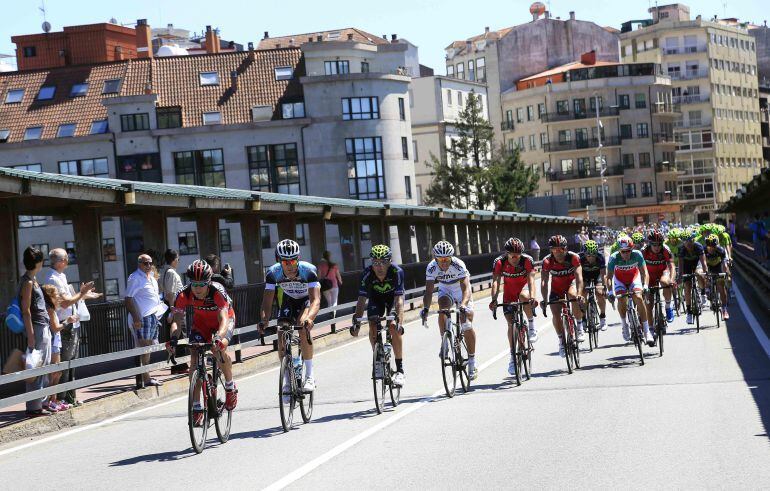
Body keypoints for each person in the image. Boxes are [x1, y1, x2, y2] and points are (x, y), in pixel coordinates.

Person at [167, 260, 238, 425]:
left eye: (202, 284)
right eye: (194, 284)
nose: (197, 289)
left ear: (209, 282)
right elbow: (177, 320)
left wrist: (219, 337)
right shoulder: (183, 294)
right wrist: (173, 339)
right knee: (194, 359)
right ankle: (197, 405)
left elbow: (223, 319)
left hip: (224, 321)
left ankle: (230, 386)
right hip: (201, 325)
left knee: (217, 349)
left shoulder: (217, 291)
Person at [258, 239, 321, 395]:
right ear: (279, 261)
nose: (290, 265)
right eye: (285, 262)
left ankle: (309, 376)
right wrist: (264, 320)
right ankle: (287, 380)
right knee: (281, 332)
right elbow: (267, 302)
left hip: (306, 300)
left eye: (293, 260)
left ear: (298, 258)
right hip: (289, 300)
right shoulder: (273, 273)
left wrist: (310, 318)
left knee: (302, 326)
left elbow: (316, 300)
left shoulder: (309, 270)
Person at [43, 248, 99, 407]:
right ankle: (61, 398)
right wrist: (82, 293)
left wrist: (83, 294)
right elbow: (66, 302)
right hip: (63, 325)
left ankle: (70, 397)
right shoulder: (53, 278)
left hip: (71, 323)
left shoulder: (61, 276)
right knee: (64, 363)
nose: (68, 261)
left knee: (72, 361)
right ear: (61, 261)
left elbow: (70, 299)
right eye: (67, 258)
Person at [420, 241, 478, 380]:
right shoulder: (431, 267)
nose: (444, 262)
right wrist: (426, 309)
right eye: (441, 259)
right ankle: (445, 342)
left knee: (466, 324)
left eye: (447, 259)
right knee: (443, 309)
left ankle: (472, 362)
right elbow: (428, 292)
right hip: (445, 289)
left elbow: (466, 288)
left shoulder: (458, 265)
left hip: (461, 291)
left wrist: (463, 305)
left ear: (451, 257)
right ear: (435, 259)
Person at [351, 244, 406, 387]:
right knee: (372, 324)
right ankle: (378, 359)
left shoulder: (396, 271)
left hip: (393, 299)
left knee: (393, 326)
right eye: (375, 262)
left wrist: (400, 321)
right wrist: (356, 321)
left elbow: (399, 299)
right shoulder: (367, 274)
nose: (379, 266)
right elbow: (362, 299)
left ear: (389, 262)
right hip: (376, 300)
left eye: (383, 262)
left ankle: (400, 370)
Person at [489, 237, 538, 376]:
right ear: (507, 254)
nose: (516, 258)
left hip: (523, 290)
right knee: (511, 325)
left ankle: (532, 326)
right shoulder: (499, 262)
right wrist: (494, 299)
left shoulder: (527, 260)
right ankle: (512, 357)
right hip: (509, 294)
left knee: (524, 296)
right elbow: (496, 283)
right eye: (513, 255)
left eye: (518, 255)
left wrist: (533, 297)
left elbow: (531, 280)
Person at [18, 247, 53, 416]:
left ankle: (41, 402)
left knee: (43, 365)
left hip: (42, 325)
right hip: (37, 327)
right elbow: (26, 310)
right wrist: (31, 336)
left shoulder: (32, 279)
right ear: (38, 262)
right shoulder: (28, 282)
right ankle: (34, 407)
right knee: (36, 366)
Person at [125, 254, 166, 387]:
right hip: (142, 317)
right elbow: (128, 298)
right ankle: (145, 378)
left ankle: (145, 376)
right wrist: (137, 318)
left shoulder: (152, 277)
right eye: (145, 263)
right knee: (144, 348)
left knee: (149, 348)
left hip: (153, 316)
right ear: (139, 264)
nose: (148, 266)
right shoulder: (135, 278)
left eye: (150, 263)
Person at [540, 235, 585, 358]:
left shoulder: (573, 257)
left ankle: (580, 327)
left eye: (561, 249)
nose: (558, 252)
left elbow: (579, 278)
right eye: (555, 249)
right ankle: (561, 341)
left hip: (571, 284)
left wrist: (580, 294)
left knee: (572, 295)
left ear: (566, 249)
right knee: (555, 313)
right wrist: (544, 299)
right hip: (556, 289)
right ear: (551, 250)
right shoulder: (547, 261)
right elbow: (544, 282)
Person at [607, 236, 652, 346]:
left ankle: (647, 331)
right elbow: (608, 277)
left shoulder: (637, 254)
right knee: (622, 300)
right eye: (623, 252)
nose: (626, 254)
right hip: (620, 281)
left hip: (633, 278)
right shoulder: (613, 258)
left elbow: (645, 273)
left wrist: (645, 285)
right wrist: (610, 292)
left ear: (631, 249)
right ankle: (624, 324)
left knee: (638, 297)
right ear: (619, 251)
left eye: (628, 251)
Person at [41, 285, 78, 413]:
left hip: (56, 342)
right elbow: (56, 327)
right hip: (53, 343)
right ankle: (51, 401)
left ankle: (54, 400)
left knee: (57, 373)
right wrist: (68, 321)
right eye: (55, 294)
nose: (58, 296)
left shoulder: (51, 308)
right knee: (55, 373)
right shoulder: (49, 309)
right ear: (50, 296)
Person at [642, 230, 676, 326]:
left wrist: (672, 280)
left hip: (662, 272)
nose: (657, 247)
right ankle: (651, 328)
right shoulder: (644, 250)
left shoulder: (665, 249)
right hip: (649, 276)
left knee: (665, 282)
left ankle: (668, 307)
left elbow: (672, 266)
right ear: (649, 244)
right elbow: (638, 268)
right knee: (649, 306)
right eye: (654, 245)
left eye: (659, 244)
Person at [678, 231, 708, 324]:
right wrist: (680, 276)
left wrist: (706, 272)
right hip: (686, 265)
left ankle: (703, 293)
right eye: (686, 242)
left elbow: (703, 262)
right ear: (683, 242)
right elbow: (680, 265)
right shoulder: (681, 249)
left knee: (699, 273)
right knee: (687, 287)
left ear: (693, 240)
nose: (688, 244)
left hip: (696, 263)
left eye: (690, 241)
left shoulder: (698, 246)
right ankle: (689, 312)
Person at [579, 240, 609, 330]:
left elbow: (603, 274)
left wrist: (605, 288)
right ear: (584, 254)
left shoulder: (600, 257)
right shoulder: (580, 258)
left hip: (597, 275)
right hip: (584, 275)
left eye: (593, 255)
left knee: (600, 293)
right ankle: (583, 318)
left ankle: (603, 317)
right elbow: (578, 275)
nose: (591, 258)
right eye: (588, 255)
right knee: (583, 294)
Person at [703, 234, 730, 320]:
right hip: (708, 266)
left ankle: (724, 309)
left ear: (717, 245)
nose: (711, 248)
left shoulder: (721, 250)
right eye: (709, 246)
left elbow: (725, 264)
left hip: (718, 267)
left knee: (721, 287)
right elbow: (701, 263)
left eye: (713, 246)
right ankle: (707, 288)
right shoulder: (703, 250)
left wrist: (725, 273)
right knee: (703, 274)